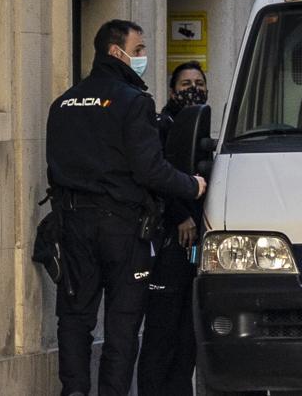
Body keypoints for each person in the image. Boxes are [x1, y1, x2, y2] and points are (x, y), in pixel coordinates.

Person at [45, 19, 206, 396]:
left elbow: (55, 166)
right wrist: (192, 186)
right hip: (122, 228)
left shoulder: (63, 102)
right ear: (115, 52)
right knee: (122, 323)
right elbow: (151, 170)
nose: (143, 57)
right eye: (138, 50)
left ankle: (74, 391)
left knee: (74, 318)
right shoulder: (134, 102)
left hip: (72, 224)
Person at [137, 61, 208, 396]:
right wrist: (180, 214)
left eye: (198, 82)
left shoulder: (202, 127)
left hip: (196, 245)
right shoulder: (160, 126)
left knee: (187, 335)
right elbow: (158, 177)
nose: (193, 88)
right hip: (167, 243)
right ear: (171, 90)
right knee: (161, 333)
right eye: (185, 83)